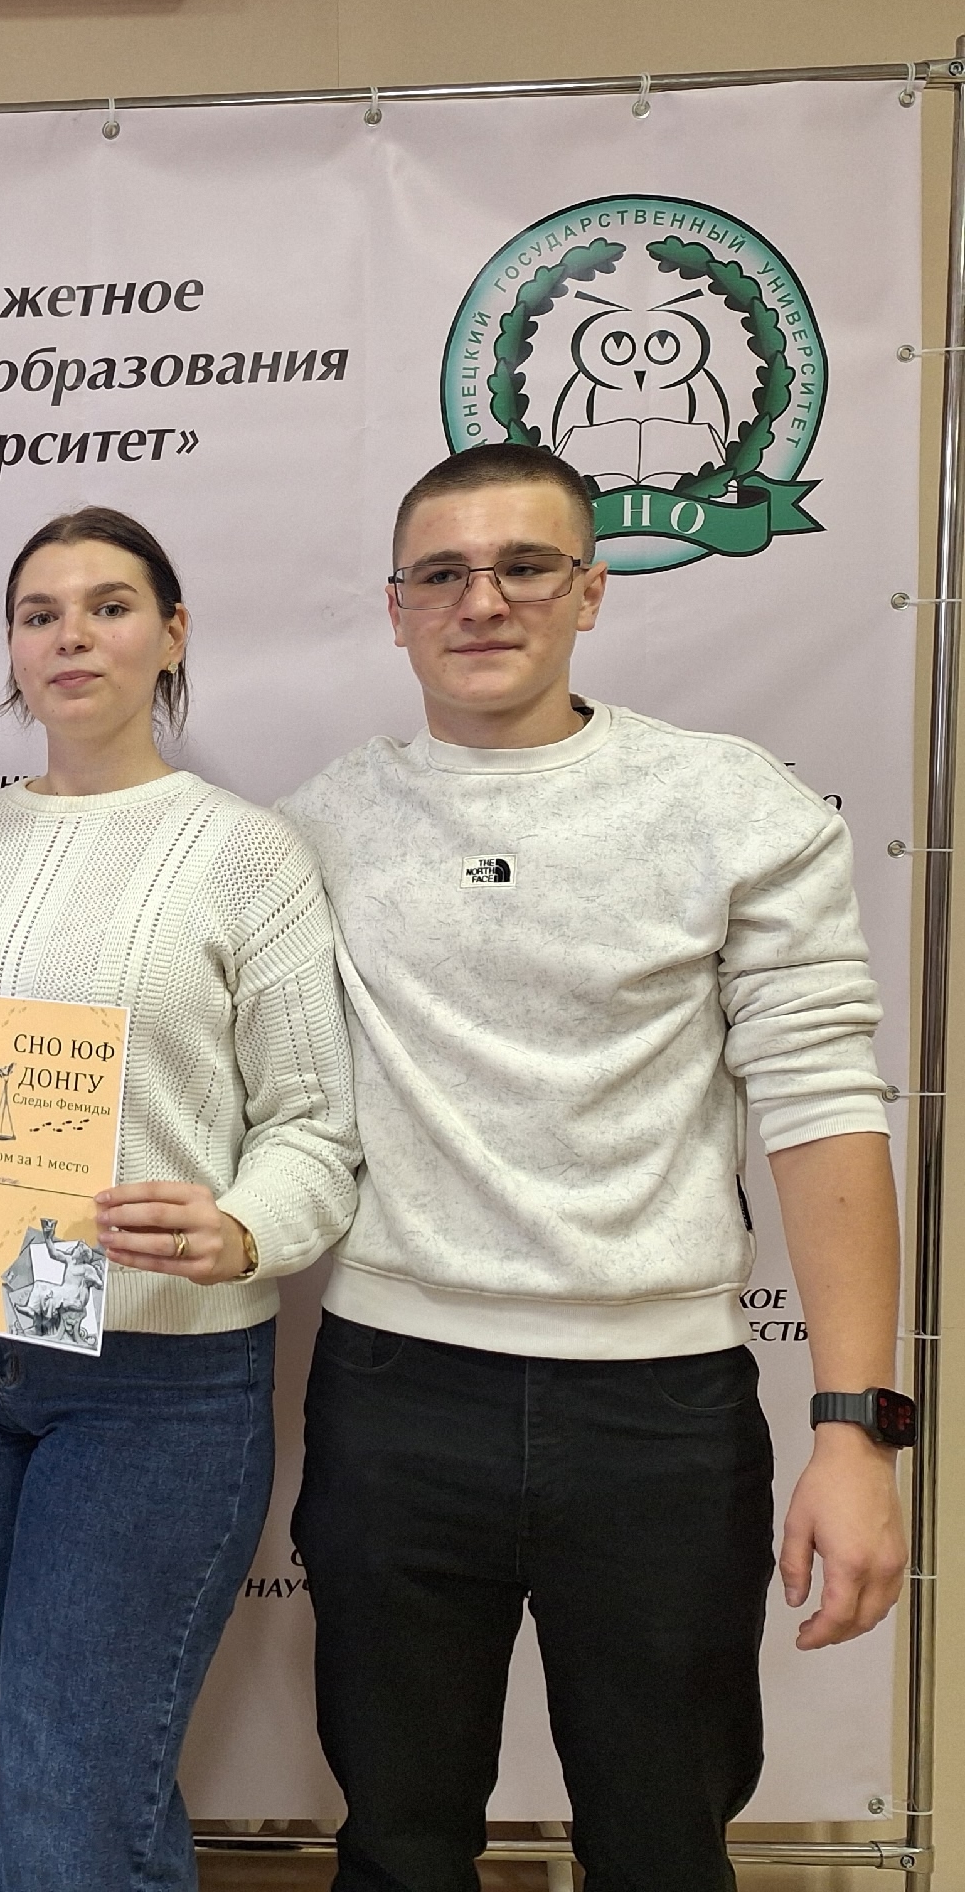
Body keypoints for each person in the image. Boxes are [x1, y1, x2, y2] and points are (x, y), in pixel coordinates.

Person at [276, 444, 909, 1892]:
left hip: (656, 1418)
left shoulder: (729, 805)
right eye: (443, 573)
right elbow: (166, 954)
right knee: (397, 1846)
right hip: (393, 1399)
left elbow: (821, 1106)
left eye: (524, 567)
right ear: (395, 607)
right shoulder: (317, 826)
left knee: (662, 1848)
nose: (482, 600)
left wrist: (857, 1430)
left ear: (591, 590)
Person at [0, 506, 361, 1891]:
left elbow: (314, 1127)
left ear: (172, 634)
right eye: (40, 614)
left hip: (153, 1382)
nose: (72, 637)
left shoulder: (247, 853)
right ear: (12, 648)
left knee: (73, 1789)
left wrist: (243, 1226)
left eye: (109, 606)